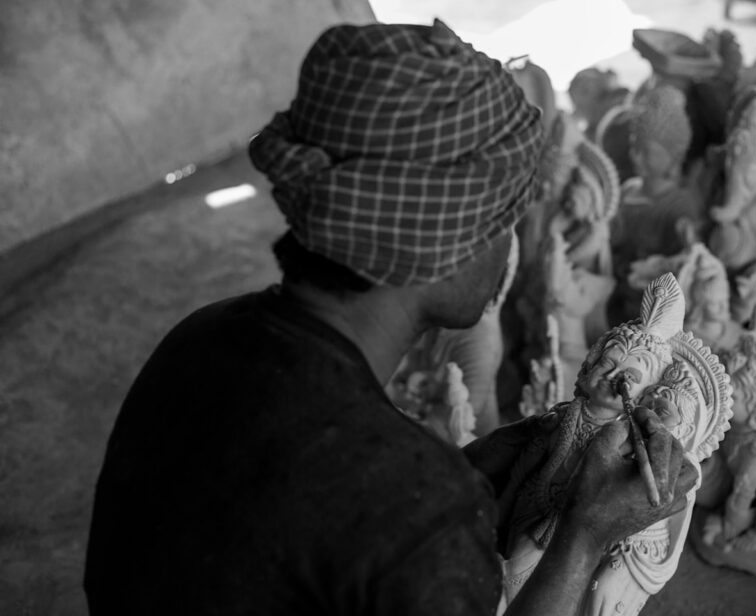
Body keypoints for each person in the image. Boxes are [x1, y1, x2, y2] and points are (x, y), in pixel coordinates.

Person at [84, 20, 689, 616]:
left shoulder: (200, 335)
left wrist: (463, 468)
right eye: (503, 221)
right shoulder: (414, 514)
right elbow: (371, 510)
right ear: (449, 244)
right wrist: (585, 535)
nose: (512, 249)